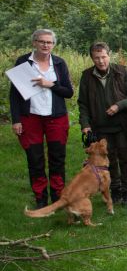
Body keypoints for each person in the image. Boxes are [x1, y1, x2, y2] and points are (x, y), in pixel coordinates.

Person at [9, 29, 74, 207]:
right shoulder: (23, 62)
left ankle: (58, 197)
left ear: (53, 44)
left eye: (49, 42)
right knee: (35, 159)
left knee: (57, 158)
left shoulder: (59, 63)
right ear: (34, 43)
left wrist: (50, 84)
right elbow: (14, 94)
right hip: (30, 118)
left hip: (56, 118)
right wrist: (16, 120)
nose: (46, 45)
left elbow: (68, 92)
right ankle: (40, 199)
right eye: (42, 41)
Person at [78, 42, 127, 205]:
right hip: (100, 127)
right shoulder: (86, 76)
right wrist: (85, 124)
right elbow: (82, 103)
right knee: (108, 159)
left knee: (125, 158)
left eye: (103, 57)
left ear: (109, 55)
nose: (101, 61)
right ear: (92, 58)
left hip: (122, 125)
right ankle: (115, 190)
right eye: (96, 58)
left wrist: (119, 106)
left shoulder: (122, 71)